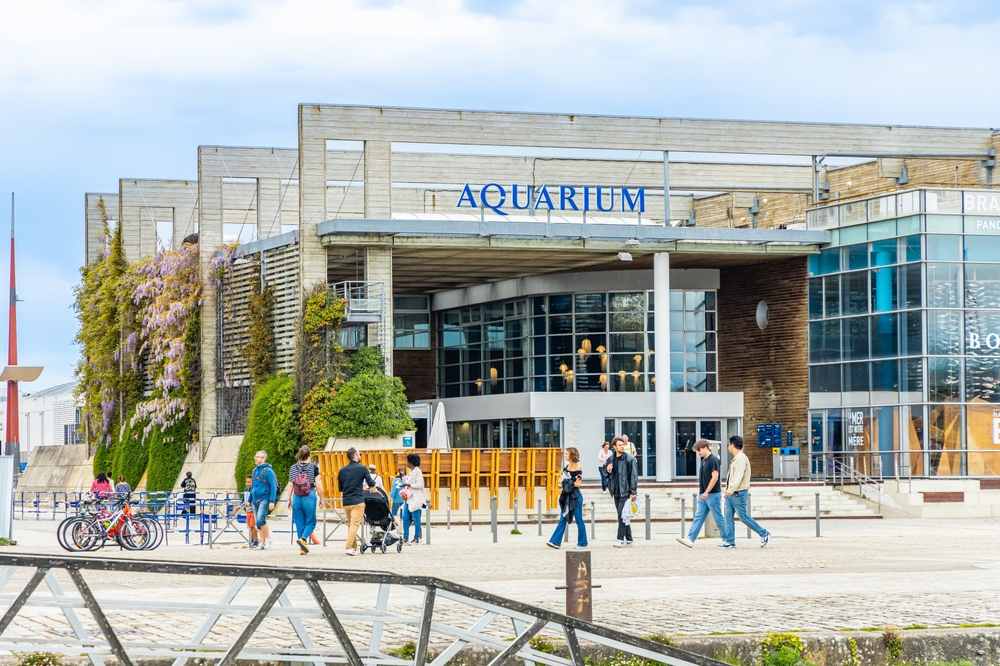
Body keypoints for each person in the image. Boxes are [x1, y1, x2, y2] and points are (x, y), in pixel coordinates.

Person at [677, 440, 729, 548]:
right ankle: (690, 539)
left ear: (705, 448)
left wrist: (707, 491)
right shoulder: (704, 460)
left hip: (713, 494)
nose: (698, 453)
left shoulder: (714, 460)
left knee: (718, 518)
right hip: (703, 495)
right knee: (698, 517)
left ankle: (727, 540)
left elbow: (715, 477)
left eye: (699, 450)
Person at [722, 435, 770, 549]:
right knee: (728, 517)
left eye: (729, 444)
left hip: (738, 494)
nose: (728, 447)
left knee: (743, 517)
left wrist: (729, 490)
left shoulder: (741, 459)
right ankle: (730, 541)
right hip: (731, 493)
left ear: (732, 445)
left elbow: (737, 478)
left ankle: (763, 533)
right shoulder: (736, 459)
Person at [337, 447, 378, 556]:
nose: (360, 456)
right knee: (355, 525)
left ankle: (353, 547)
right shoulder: (362, 469)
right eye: (359, 454)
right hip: (357, 501)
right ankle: (348, 546)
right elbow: (371, 483)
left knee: (351, 525)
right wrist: (373, 489)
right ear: (355, 456)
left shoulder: (342, 470)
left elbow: (340, 487)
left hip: (346, 501)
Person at [547, 447, 587, 550]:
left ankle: (582, 542)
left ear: (572, 455)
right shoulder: (566, 467)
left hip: (576, 497)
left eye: (566, 453)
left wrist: (566, 482)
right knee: (563, 518)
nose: (565, 455)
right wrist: (568, 482)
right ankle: (555, 541)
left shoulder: (578, 468)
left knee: (579, 519)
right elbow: (560, 480)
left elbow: (578, 484)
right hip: (567, 496)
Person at [287, 445, 323, 555]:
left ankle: (302, 549)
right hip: (309, 496)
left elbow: (290, 485)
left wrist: (289, 499)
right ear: (309, 455)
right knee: (311, 522)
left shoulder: (293, 468)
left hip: (297, 497)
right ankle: (303, 539)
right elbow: (318, 485)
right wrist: (321, 498)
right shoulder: (313, 468)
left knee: (299, 522)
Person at [605, 437, 638, 547]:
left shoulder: (630, 459)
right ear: (614, 447)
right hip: (616, 491)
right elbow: (607, 474)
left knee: (621, 515)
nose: (622, 446)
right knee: (624, 515)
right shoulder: (610, 459)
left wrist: (633, 492)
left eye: (623, 444)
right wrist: (607, 470)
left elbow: (633, 476)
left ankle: (620, 539)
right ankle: (629, 539)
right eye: (619, 445)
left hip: (626, 491)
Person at [249, 450, 278, 550]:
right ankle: (262, 542)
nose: (255, 458)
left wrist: (272, 501)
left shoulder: (268, 471)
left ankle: (268, 538)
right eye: (255, 456)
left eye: (258, 457)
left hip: (265, 498)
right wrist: (249, 499)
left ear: (263, 459)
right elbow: (252, 486)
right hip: (255, 499)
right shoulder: (254, 471)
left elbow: (273, 486)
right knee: (258, 522)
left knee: (261, 519)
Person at [402, 453, 425, 544]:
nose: (406, 463)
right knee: (405, 518)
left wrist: (408, 485)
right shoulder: (411, 471)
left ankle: (416, 538)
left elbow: (419, 485)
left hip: (415, 499)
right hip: (408, 499)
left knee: (416, 519)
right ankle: (405, 537)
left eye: (407, 461)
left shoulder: (417, 471)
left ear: (411, 462)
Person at [242, 475, 260, 548]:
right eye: (246, 482)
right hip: (248, 511)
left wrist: (251, 504)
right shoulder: (245, 490)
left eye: (249, 482)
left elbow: (257, 501)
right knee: (250, 526)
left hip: (253, 510)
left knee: (252, 525)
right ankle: (254, 540)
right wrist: (239, 506)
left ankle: (256, 541)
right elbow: (244, 501)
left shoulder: (254, 490)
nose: (248, 484)